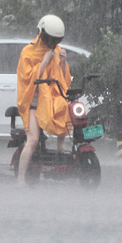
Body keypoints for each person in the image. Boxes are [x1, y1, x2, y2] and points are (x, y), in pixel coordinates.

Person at [15, 14, 71, 185]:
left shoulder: (56, 50)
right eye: (49, 39)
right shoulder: (28, 52)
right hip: (33, 103)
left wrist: (62, 62)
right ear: (41, 34)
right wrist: (45, 61)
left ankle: (61, 146)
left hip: (51, 101)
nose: (51, 44)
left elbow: (64, 80)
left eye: (55, 40)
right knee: (32, 140)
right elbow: (28, 78)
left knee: (64, 106)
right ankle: (20, 179)